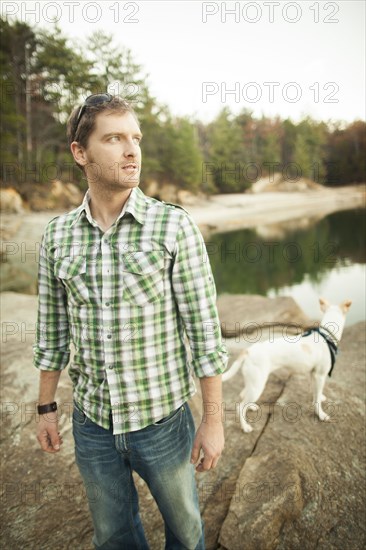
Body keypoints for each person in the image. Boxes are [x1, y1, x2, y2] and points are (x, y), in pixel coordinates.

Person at [34, 93, 228, 550]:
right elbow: (51, 332)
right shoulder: (57, 236)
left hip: (162, 422)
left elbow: (204, 332)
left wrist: (213, 420)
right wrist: (45, 407)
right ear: (80, 152)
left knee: (186, 533)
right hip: (93, 425)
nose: (131, 150)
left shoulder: (173, 227)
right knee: (113, 537)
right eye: (115, 138)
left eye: (136, 138)